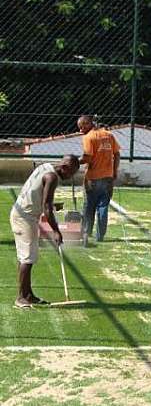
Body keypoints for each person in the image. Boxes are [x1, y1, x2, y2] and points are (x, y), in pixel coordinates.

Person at [10, 155, 80, 308]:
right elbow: (46, 207)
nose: (71, 176)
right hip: (24, 217)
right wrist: (56, 231)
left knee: (28, 257)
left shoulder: (45, 166)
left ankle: (28, 295)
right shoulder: (52, 177)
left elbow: (38, 196)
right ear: (65, 167)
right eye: (72, 172)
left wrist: (52, 205)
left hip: (24, 214)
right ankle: (21, 297)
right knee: (27, 258)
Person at [78, 115, 120, 246]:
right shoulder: (109, 135)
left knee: (89, 206)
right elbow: (117, 154)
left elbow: (88, 157)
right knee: (103, 206)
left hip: (93, 178)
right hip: (108, 177)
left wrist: (74, 162)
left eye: (81, 127)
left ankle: (86, 232)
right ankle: (100, 235)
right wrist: (114, 171)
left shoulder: (89, 137)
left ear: (88, 124)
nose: (80, 130)